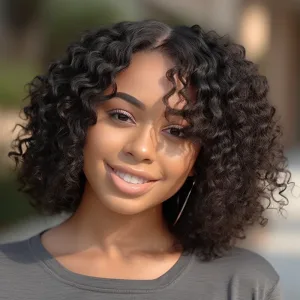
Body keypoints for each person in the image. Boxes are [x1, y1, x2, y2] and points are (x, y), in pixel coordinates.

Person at [0, 19, 293, 299]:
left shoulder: (244, 285)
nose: (141, 149)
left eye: (177, 131)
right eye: (121, 116)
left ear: (206, 155)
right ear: (76, 123)